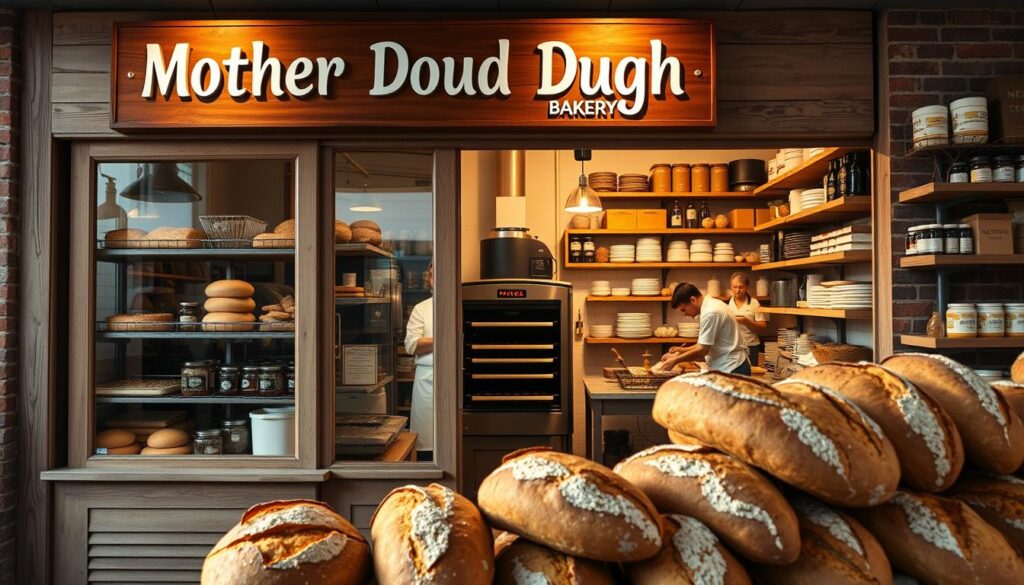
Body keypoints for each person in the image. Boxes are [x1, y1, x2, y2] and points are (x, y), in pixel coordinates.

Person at [658, 282, 750, 375]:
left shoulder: (711, 312)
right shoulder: (710, 304)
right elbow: (703, 345)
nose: (685, 314)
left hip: (732, 368)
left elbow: (702, 351)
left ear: (693, 300)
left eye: (684, 309)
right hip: (729, 365)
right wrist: (680, 352)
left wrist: (675, 360)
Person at [404, 262, 433, 460]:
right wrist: (445, 337)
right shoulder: (421, 308)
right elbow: (411, 346)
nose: (434, 279)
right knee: (427, 444)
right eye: (432, 275)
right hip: (428, 380)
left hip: (456, 377)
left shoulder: (463, 305)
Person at [727, 272, 767, 366]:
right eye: (734, 287)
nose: (737, 290)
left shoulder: (754, 303)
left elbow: (763, 326)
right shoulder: (727, 303)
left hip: (752, 346)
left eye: (741, 287)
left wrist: (747, 321)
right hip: (734, 347)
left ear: (746, 287)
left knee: (752, 374)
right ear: (731, 287)